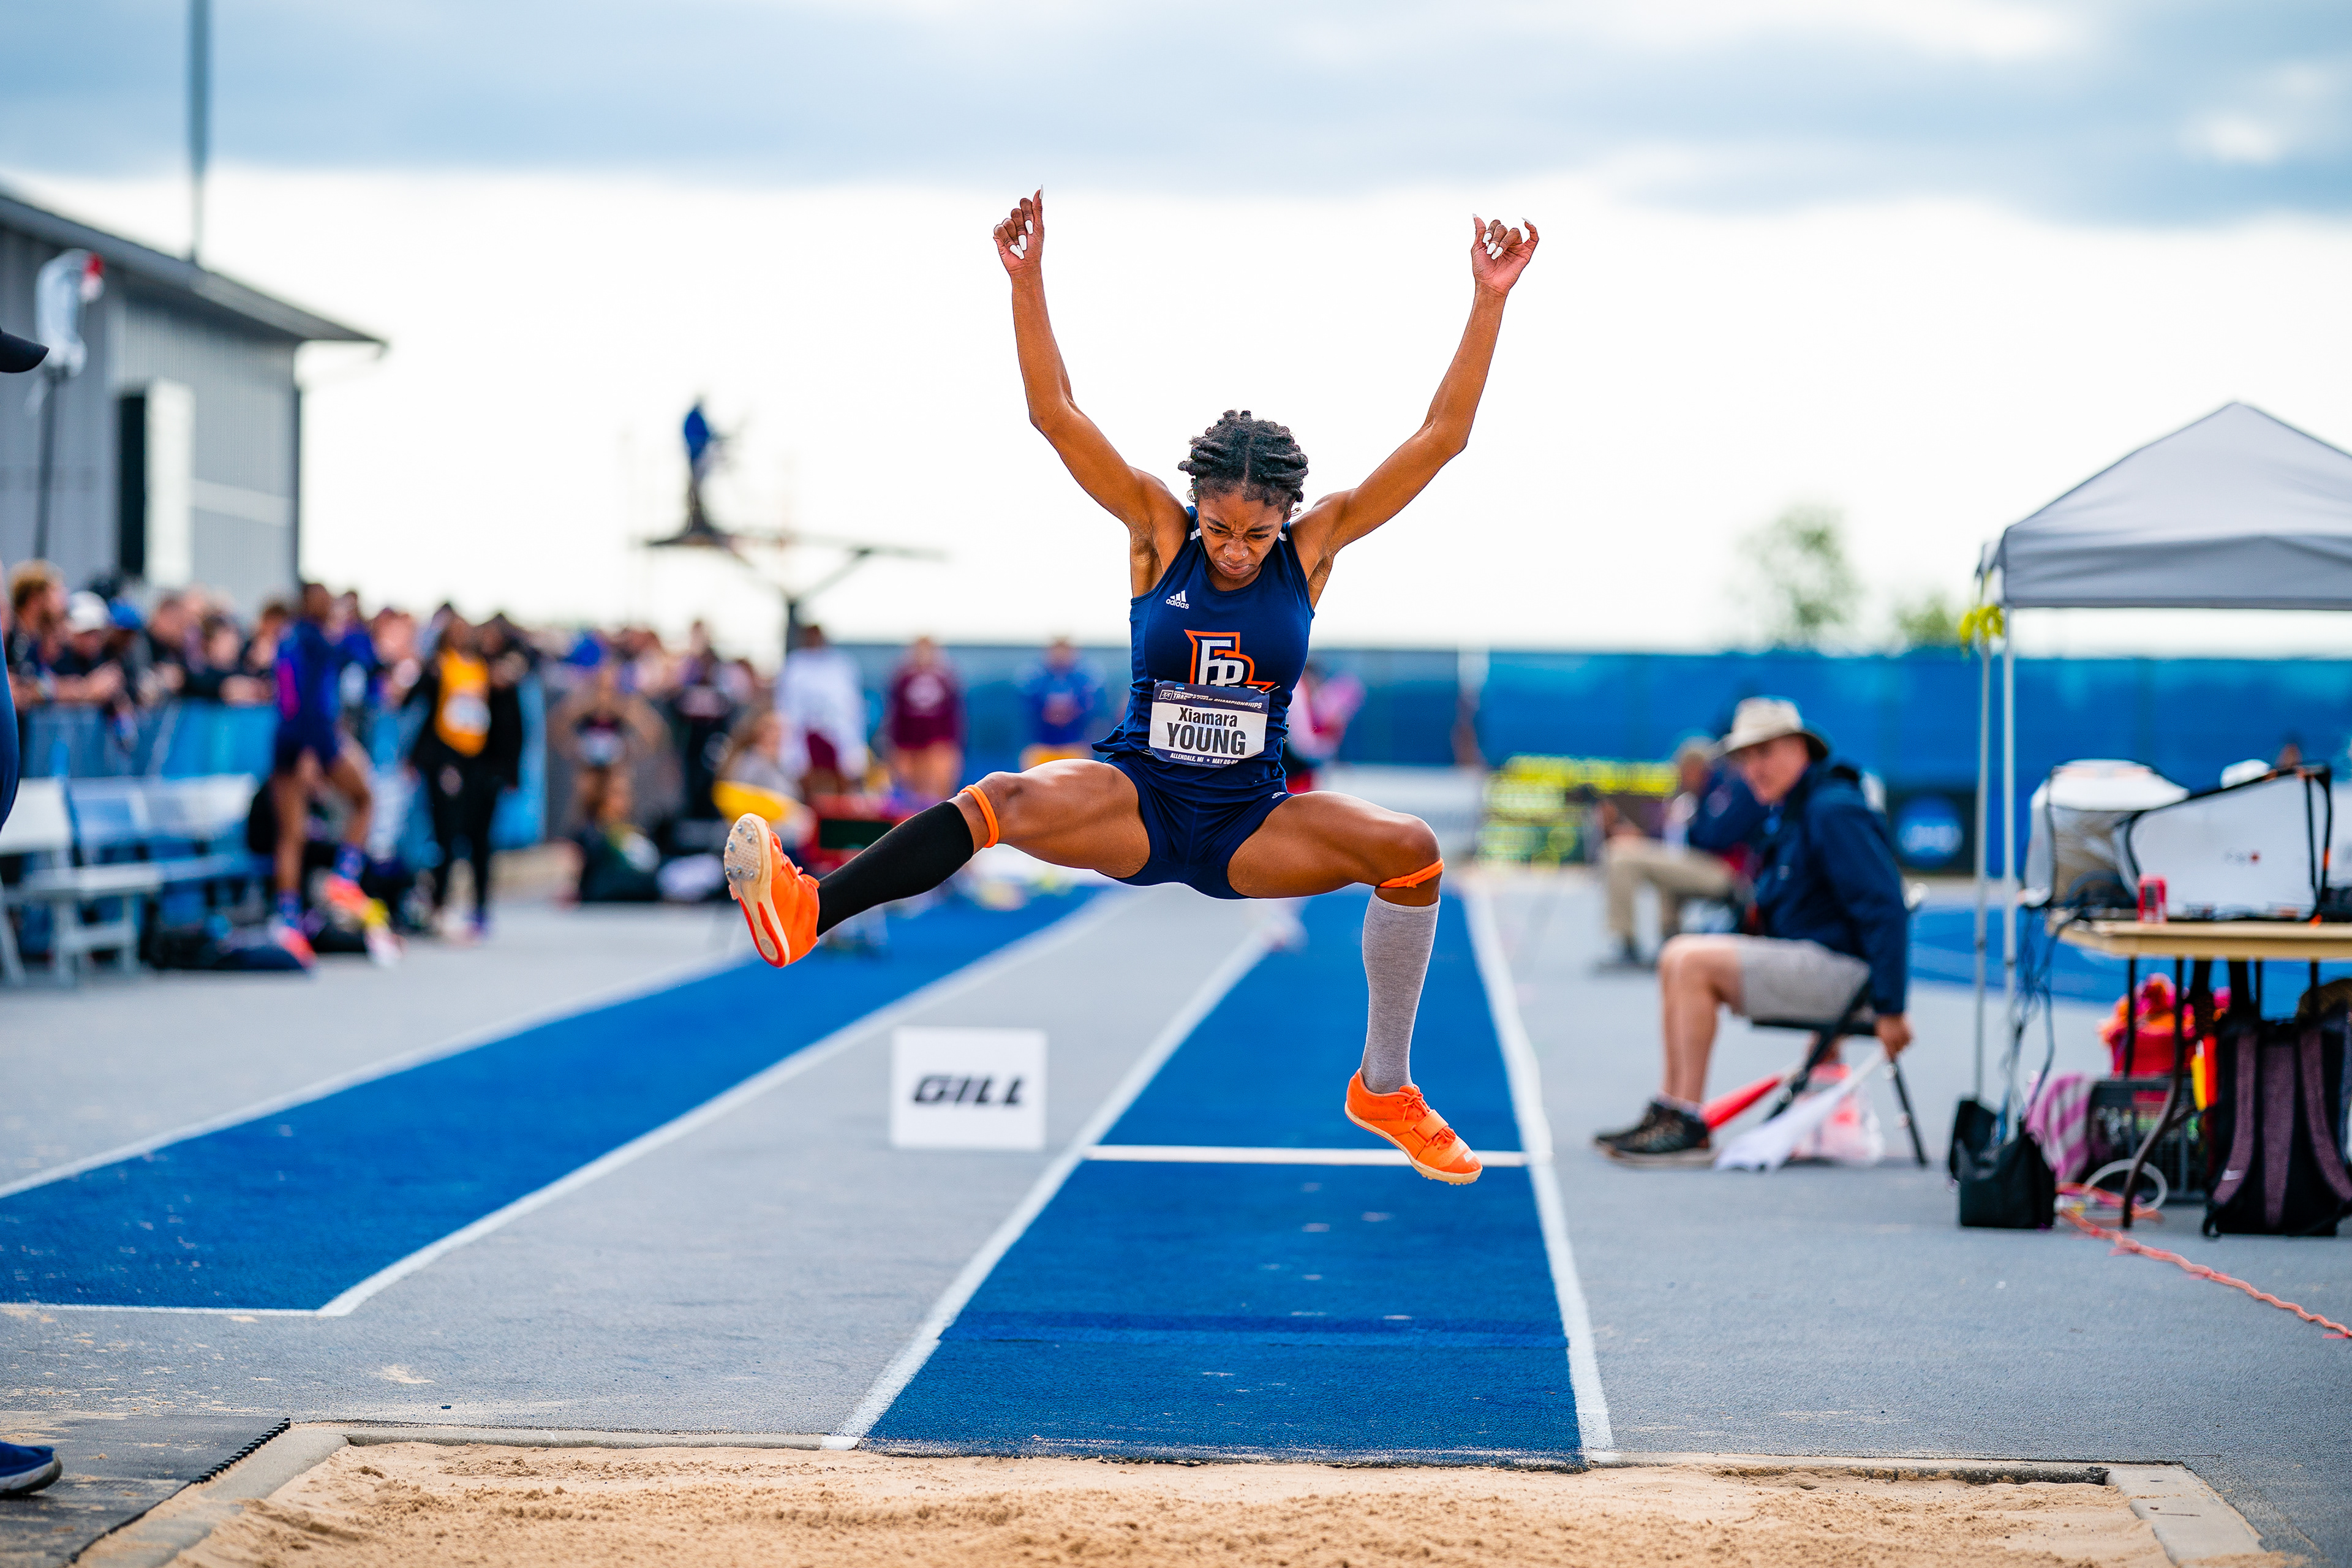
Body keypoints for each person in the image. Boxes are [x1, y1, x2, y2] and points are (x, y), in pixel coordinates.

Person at [725, 190, 1539, 1185]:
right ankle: (811, 910)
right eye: (1220, 528)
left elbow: (1441, 437)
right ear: (1194, 506)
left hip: (1250, 821)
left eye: (1257, 533)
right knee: (999, 799)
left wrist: (1488, 300)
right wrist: (1026, 281)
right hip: (1138, 797)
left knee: (1411, 852)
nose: (1235, 550)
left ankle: (1385, 1086)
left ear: (1288, 516)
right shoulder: (1156, 530)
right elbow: (1055, 415)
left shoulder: (1315, 547)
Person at [1596, 698, 1913, 1164]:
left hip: (1850, 980)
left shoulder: (1832, 810)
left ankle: (1687, 1122)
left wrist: (1891, 1008)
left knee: (1692, 961)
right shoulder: (1795, 809)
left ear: (1799, 750)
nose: (1753, 769)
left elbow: (1885, 907)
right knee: (1676, 954)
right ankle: (1672, 1109)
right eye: (1745, 758)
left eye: (1764, 753)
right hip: (1821, 963)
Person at [268, 582, 382, 953]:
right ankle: (344, 877)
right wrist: (310, 752)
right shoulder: (315, 641)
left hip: (288, 737)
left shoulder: (289, 638)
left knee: (291, 835)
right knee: (365, 797)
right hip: (313, 736)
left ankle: (288, 919)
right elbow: (308, 698)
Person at [406, 613, 524, 938]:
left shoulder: (490, 672)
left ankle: (479, 907)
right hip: (448, 762)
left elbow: (510, 723)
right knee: (445, 836)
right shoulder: (441, 668)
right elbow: (416, 706)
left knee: (480, 839)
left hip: (481, 768)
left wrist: (509, 772)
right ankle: (439, 906)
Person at [1599, 737, 1750, 967]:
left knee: (1622, 858)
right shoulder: (1701, 795)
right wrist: (1646, 835)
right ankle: (1670, 940)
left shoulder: (1728, 790)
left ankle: (1626, 943)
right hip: (1709, 864)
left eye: (1680, 771)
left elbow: (1715, 839)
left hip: (1729, 871)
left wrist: (1687, 822)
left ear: (1694, 768)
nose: (1678, 777)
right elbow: (1677, 842)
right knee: (1634, 854)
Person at [774, 624, 869, 799]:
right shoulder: (795, 665)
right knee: (802, 776)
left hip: (836, 731)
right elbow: (787, 703)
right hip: (805, 731)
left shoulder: (841, 665)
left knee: (846, 775)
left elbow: (851, 703)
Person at [883, 636, 964, 805]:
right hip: (909, 745)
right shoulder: (903, 679)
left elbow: (955, 718)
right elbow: (895, 718)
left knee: (938, 785)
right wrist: (897, 749)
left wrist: (951, 749)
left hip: (938, 743)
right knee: (912, 792)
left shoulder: (946, 679)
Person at [1279, 659, 1365, 794]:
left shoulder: (1300, 692)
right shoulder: (1297, 692)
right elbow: (1303, 746)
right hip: (1291, 776)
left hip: (1294, 773)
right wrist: (1329, 745)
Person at [1018, 636, 1102, 770]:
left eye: (1065, 653)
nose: (1061, 657)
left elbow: (1091, 710)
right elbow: (1029, 709)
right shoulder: (1036, 679)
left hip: (1074, 747)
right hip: (1041, 748)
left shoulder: (1083, 680)